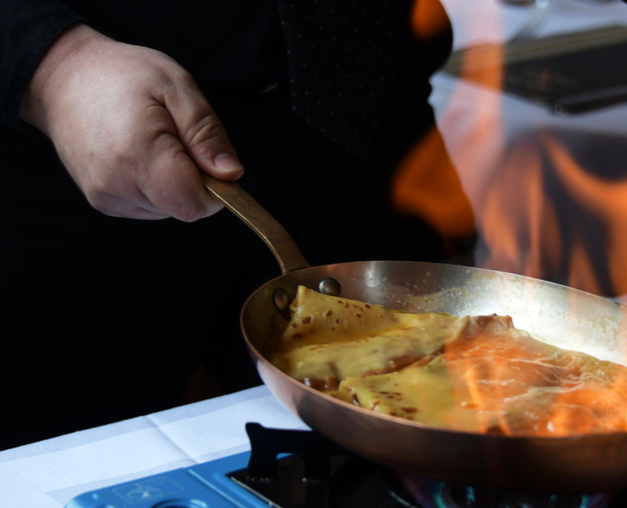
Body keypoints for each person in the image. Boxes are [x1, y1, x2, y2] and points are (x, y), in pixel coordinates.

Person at [0, 0, 467, 449]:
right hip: (80, 128)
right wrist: (54, 63)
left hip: (362, 104)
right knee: (69, 458)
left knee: (430, 423)